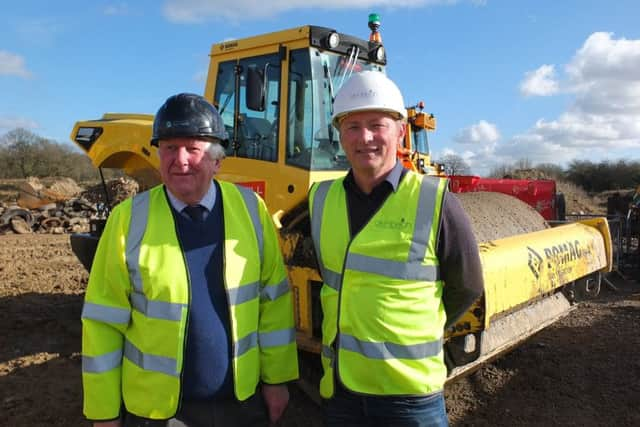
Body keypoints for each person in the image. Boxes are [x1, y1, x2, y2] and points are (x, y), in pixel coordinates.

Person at [81, 93, 298, 427]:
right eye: (169, 148)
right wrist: (104, 412)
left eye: (192, 149)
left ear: (217, 161)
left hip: (240, 405)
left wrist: (277, 380)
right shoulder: (127, 220)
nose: (179, 160)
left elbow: (273, 302)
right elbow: (102, 321)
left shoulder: (252, 210)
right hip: (159, 412)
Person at [308, 71, 484, 426]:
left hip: (409, 399)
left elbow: (467, 286)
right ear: (339, 133)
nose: (365, 137)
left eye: (377, 125)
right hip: (342, 392)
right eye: (353, 126)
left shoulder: (434, 201)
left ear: (400, 132)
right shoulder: (320, 200)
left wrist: (423, 329)